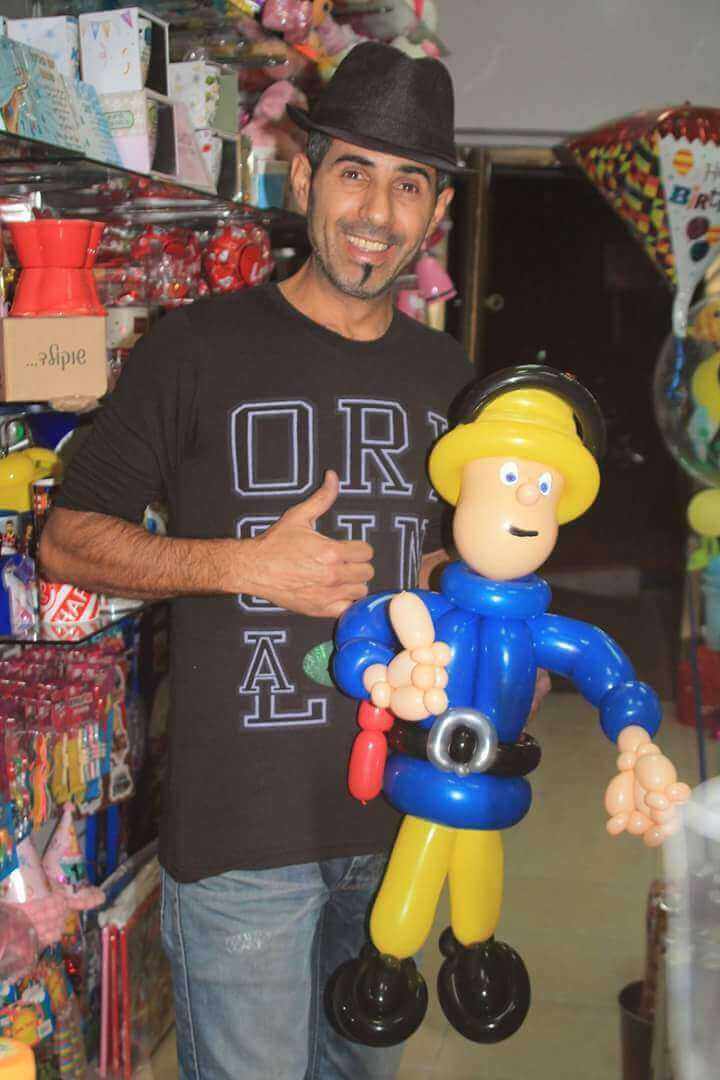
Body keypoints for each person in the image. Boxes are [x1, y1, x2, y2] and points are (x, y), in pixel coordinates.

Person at [39, 43, 544, 1080]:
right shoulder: (195, 347)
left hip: (403, 820)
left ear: (437, 210)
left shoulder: (452, 379)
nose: (378, 212)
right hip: (243, 837)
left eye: (410, 184)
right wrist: (246, 566)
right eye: (355, 171)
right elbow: (67, 538)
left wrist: (499, 646)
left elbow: (450, 561)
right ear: (304, 176)